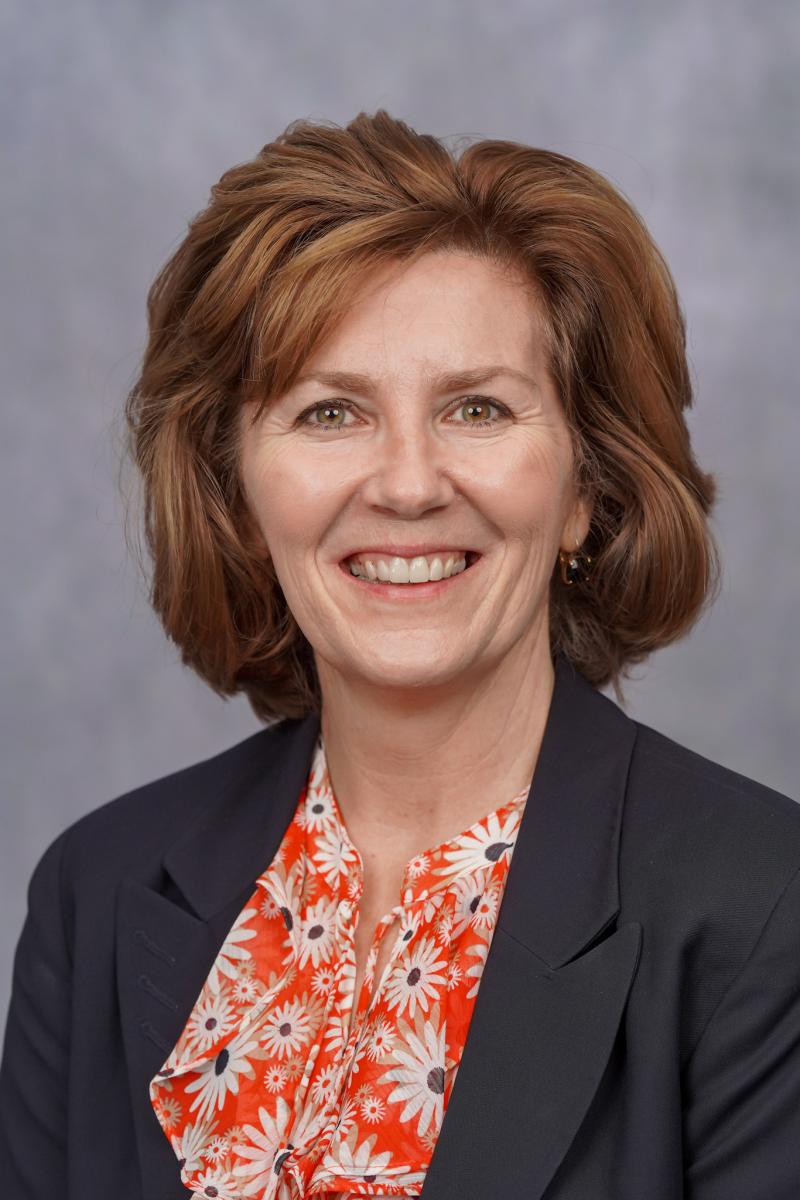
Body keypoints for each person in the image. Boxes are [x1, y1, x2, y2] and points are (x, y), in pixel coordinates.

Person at [1, 109, 798, 1200]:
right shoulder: (96, 891)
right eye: (330, 413)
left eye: (477, 408)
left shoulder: (763, 910)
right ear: (237, 493)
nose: (410, 484)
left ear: (584, 489)